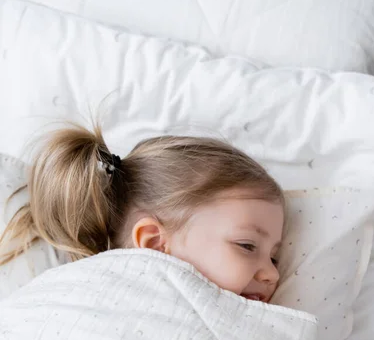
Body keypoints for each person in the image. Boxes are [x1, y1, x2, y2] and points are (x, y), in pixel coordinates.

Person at [0, 124, 284, 303]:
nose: (272, 274)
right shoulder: (85, 299)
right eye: (247, 246)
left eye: (274, 256)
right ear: (154, 245)